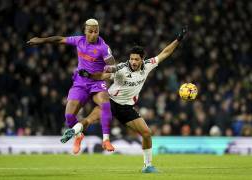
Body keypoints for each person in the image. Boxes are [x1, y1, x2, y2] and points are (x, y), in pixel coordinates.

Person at [73, 27, 188, 173]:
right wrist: (89, 75)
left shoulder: (147, 66)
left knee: (146, 133)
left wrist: (178, 40)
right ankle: (74, 131)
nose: (133, 61)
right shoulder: (121, 68)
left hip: (126, 108)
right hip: (111, 102)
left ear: (142, 59)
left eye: (136, 59)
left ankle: (147, 166)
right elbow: (103, 75)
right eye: (131, 58)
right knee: (90, 119)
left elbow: (164, 53)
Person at [27, 19, 115, 151]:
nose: (93, 34)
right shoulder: (78, 40)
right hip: (80, 83)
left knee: (106, 104)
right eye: (90, 31)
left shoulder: (103, 48)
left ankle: (106, 140)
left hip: (97, 83)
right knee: (69, 116)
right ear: (85, 31)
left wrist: (100, 76)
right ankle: (78, 135)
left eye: (96, 31)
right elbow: (59, 40)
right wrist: (41, 40)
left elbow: (113, 68)